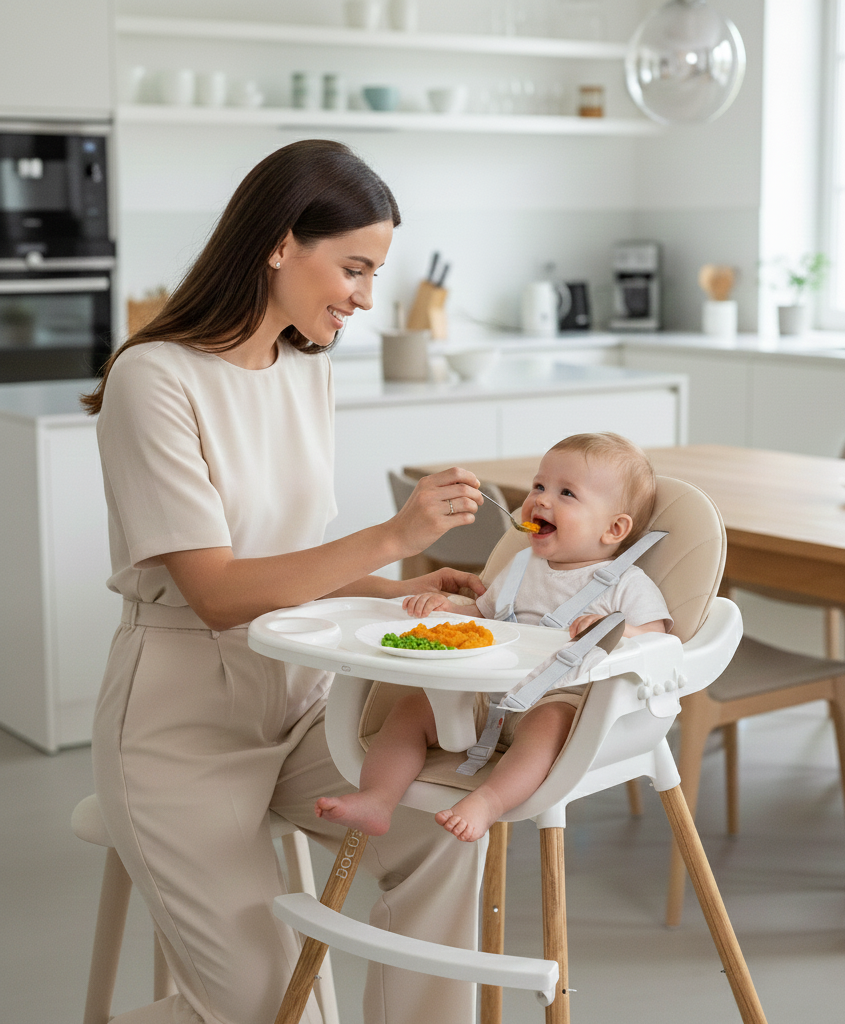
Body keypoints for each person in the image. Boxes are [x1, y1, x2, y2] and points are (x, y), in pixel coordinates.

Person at [84, 139, 490, 1024]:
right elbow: (221, 593)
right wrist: (391, 537)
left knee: (447, 835)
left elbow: (289, 564)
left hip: (301, 706)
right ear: (279, 244)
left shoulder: (308, 370)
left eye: (375, 273)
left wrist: (407, 589)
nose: (365, 298)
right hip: (177, 730)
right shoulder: (151, 379)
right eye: (353, 267)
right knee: (277, 1007)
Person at [315, 432, 672, 844]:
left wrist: (613, 628)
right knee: (411, 710)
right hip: (487, 696)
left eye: (566, 493)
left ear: (614, 528)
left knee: (548, 728)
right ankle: (377, 798)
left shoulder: (627, 584)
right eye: (539, 486)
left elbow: (657, 639)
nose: (540, 499)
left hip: (559, 700)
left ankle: (488, 802)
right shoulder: (522, 566)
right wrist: (446, 610)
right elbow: (484, 618)